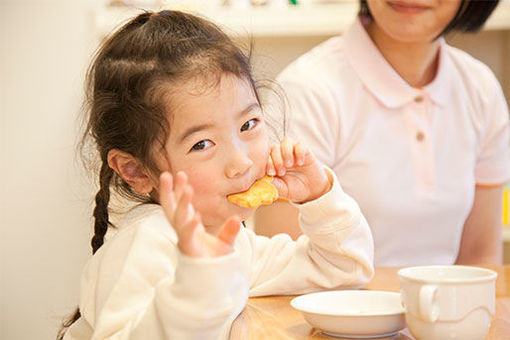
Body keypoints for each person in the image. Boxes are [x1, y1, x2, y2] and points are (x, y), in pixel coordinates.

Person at [58, 10, 374, 340]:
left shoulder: (231, 240)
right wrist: (198, 279)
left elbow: (343, 271)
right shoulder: (148, 244)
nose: (240, 162)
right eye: (202, 144)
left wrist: (318, 196)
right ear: (135, 170)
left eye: (248, 125)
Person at [255, 0, 510, 266]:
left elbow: (480, 261)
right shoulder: (306, 90)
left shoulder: (481, 89)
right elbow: (287, 276)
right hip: (334, 307)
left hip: (448, 307)